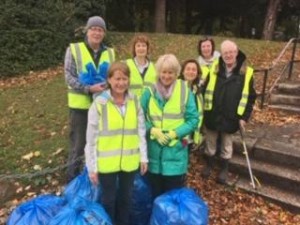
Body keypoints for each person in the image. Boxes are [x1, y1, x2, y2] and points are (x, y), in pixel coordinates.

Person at [84, 62, 148, 225]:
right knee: (108, 201)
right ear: (109, 80)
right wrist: (92, 167)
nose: (121, 83)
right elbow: (91, 139)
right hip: (107, 164)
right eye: (117, 78)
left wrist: (144, 157)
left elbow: (141, 130)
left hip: (129, 161)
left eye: (124, 79)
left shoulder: (134, 101)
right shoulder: (100, 103)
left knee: (126, 199)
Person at [64, 16, 115, 182]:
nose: (97, 33)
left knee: (99, 144)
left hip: (102, 107)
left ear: (104, 33)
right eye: (94, 29)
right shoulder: (74, 49)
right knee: (78, 146)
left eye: (100, 30)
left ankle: (94, 181)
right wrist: (88, 89)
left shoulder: (110, 53)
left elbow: (115, 76)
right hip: (80, 108)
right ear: (87, 30)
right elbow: (68, 76)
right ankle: (72, 182)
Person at [140, 54, 199, 199]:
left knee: (172, 198)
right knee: (154, 196)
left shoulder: (185, 91)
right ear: (158, 72)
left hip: (175, 155)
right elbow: (138, 117)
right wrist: (151, 129)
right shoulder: (149, 92)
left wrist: (175, 133)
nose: (166, 76)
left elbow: (193, 120)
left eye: (170, 72)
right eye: (163, 72)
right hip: (153, 154)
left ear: (176, 73)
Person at [201, 40, 256, 184]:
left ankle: (224, 168)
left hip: (231, 116)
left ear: (236, 52)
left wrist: (244, 117)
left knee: (226, 143)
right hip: (212, 113)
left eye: (231, 52)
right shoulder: (214, 68)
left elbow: (250, 97)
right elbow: (203, 88)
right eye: (225, 53)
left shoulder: (246, 72)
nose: (228, 55)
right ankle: (209, 164)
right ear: (221, 54)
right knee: (210, 141)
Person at [178, 59, 204, 152]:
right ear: (182, 71)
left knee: (186, 159)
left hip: (191, 135)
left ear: (197, 73)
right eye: (188, 69)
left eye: (194, 69)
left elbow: (199, 114)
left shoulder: (198, 91)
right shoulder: (176, 88)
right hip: (178, 135)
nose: (191, 72)